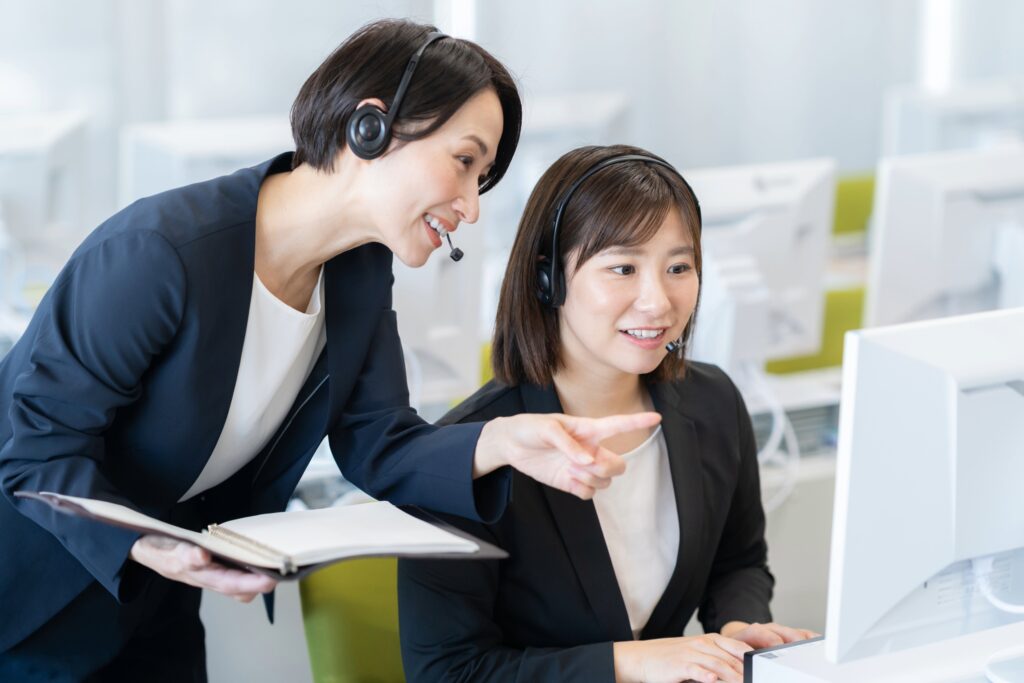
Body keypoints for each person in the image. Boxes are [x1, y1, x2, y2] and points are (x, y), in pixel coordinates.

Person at [0, 22, 659, 681]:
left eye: (481, 178)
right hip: (29, 595)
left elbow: (379, 442)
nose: (471, 206)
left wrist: (504, 442)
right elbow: (36, 452)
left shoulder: (358, 275)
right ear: (369, 127)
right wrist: (146, 542)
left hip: (151, 604)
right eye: (464, 162)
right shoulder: (159, 252)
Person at [398, 145, 817, 683]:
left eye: (679, 267)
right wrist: (627, 663)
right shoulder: (463, 456)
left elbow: (738, 562)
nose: (658, 301)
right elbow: (447, 672)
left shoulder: (712, 402)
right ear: (548, 279)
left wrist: (739, 626)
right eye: (623, 268)